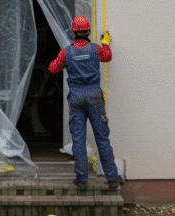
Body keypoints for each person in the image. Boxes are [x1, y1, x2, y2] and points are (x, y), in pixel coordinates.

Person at [48, 16, 121, 190]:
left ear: (73, 32)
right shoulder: (95, 49)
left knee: (78, 140)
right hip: (94, 95)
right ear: (88, 31)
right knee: (101, 137)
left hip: (76, 97)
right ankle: (112, 179)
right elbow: (107, 57)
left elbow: (52, 68)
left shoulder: (66, 52)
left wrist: (64, 64)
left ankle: (82, 181)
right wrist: (105, 43)